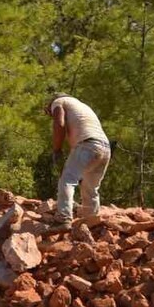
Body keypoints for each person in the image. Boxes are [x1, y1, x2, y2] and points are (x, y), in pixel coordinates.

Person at [45, 93, 111, 229]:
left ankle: (63, 219)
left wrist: (56, 150)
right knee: (90, 187)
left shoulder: (59, 102)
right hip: (105, 147)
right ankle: (91, 222)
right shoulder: (82, 106)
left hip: (87, 145)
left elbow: (60, 124)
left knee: (67, 180)